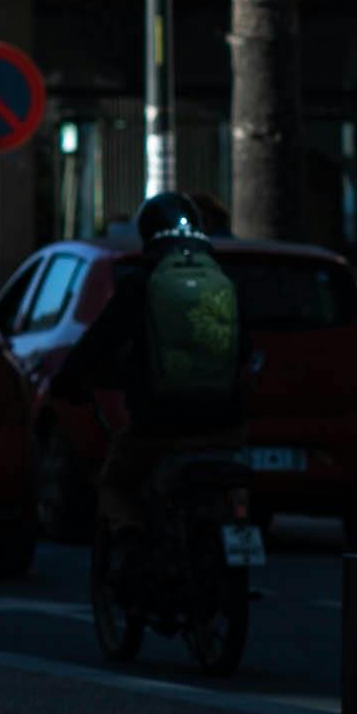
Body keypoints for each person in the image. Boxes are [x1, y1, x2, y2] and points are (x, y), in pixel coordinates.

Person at [75, 190, 245, 533]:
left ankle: (133, 557)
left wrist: (72, 380)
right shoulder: (224, 282)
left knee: (116, 484)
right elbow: (247, 349)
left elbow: (99, 343)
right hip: (226, 428)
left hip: (158, 428)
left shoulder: (140, 282)